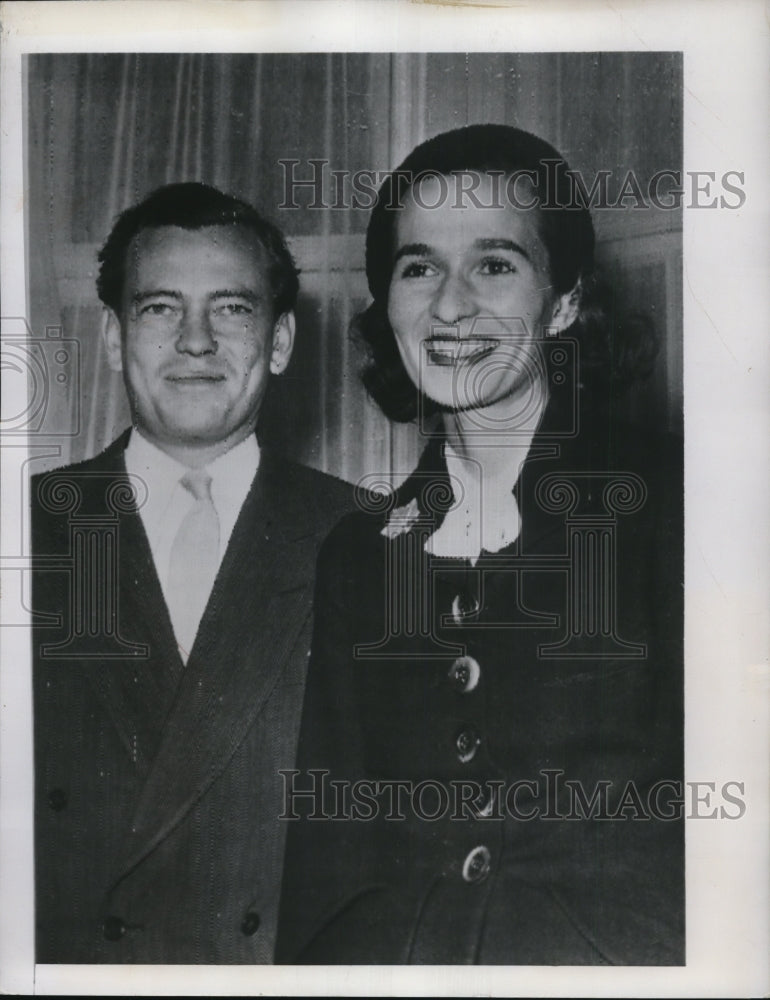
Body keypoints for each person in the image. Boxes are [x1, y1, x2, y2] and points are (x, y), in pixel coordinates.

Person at [276, 125, 684, 965]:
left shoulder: (675, 510)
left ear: (563, 301)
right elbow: (326, 875)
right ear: (387, 307)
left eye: (494, 264)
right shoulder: (358, 555)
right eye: (418, 267)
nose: (451, 305)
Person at [31, 182, 352, 963]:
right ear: (115, 338)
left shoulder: (367, 537)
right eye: (160, 309)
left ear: (280, 341)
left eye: (232, 308)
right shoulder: (22, 531)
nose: (197, 341)